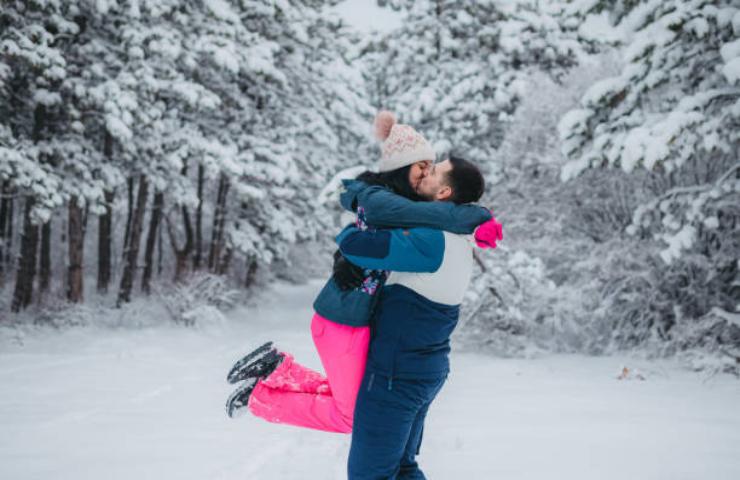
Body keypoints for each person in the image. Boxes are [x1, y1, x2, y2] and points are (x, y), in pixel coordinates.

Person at [223, 112, 502, 437]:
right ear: (402, 167)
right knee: (353, 417)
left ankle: (278, 370)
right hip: (344, 323)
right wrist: (475, 217)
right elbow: (422, 216)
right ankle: (258, 399)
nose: (426, 173)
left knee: (356, 402)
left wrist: (476, 218)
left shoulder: (400, 204)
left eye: (432, 167)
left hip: (350, 323)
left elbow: (439, 214)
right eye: (422, 166)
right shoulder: (381, 200)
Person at [336, 155, 497, 479]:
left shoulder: (431, 241)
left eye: (434, 172)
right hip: (419, 372)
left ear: (443, 193)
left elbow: (355, 244)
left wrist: (363, 212)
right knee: (401, 468)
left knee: (370, 474)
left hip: (396, 377)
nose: (425, 173)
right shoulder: (456, 238)